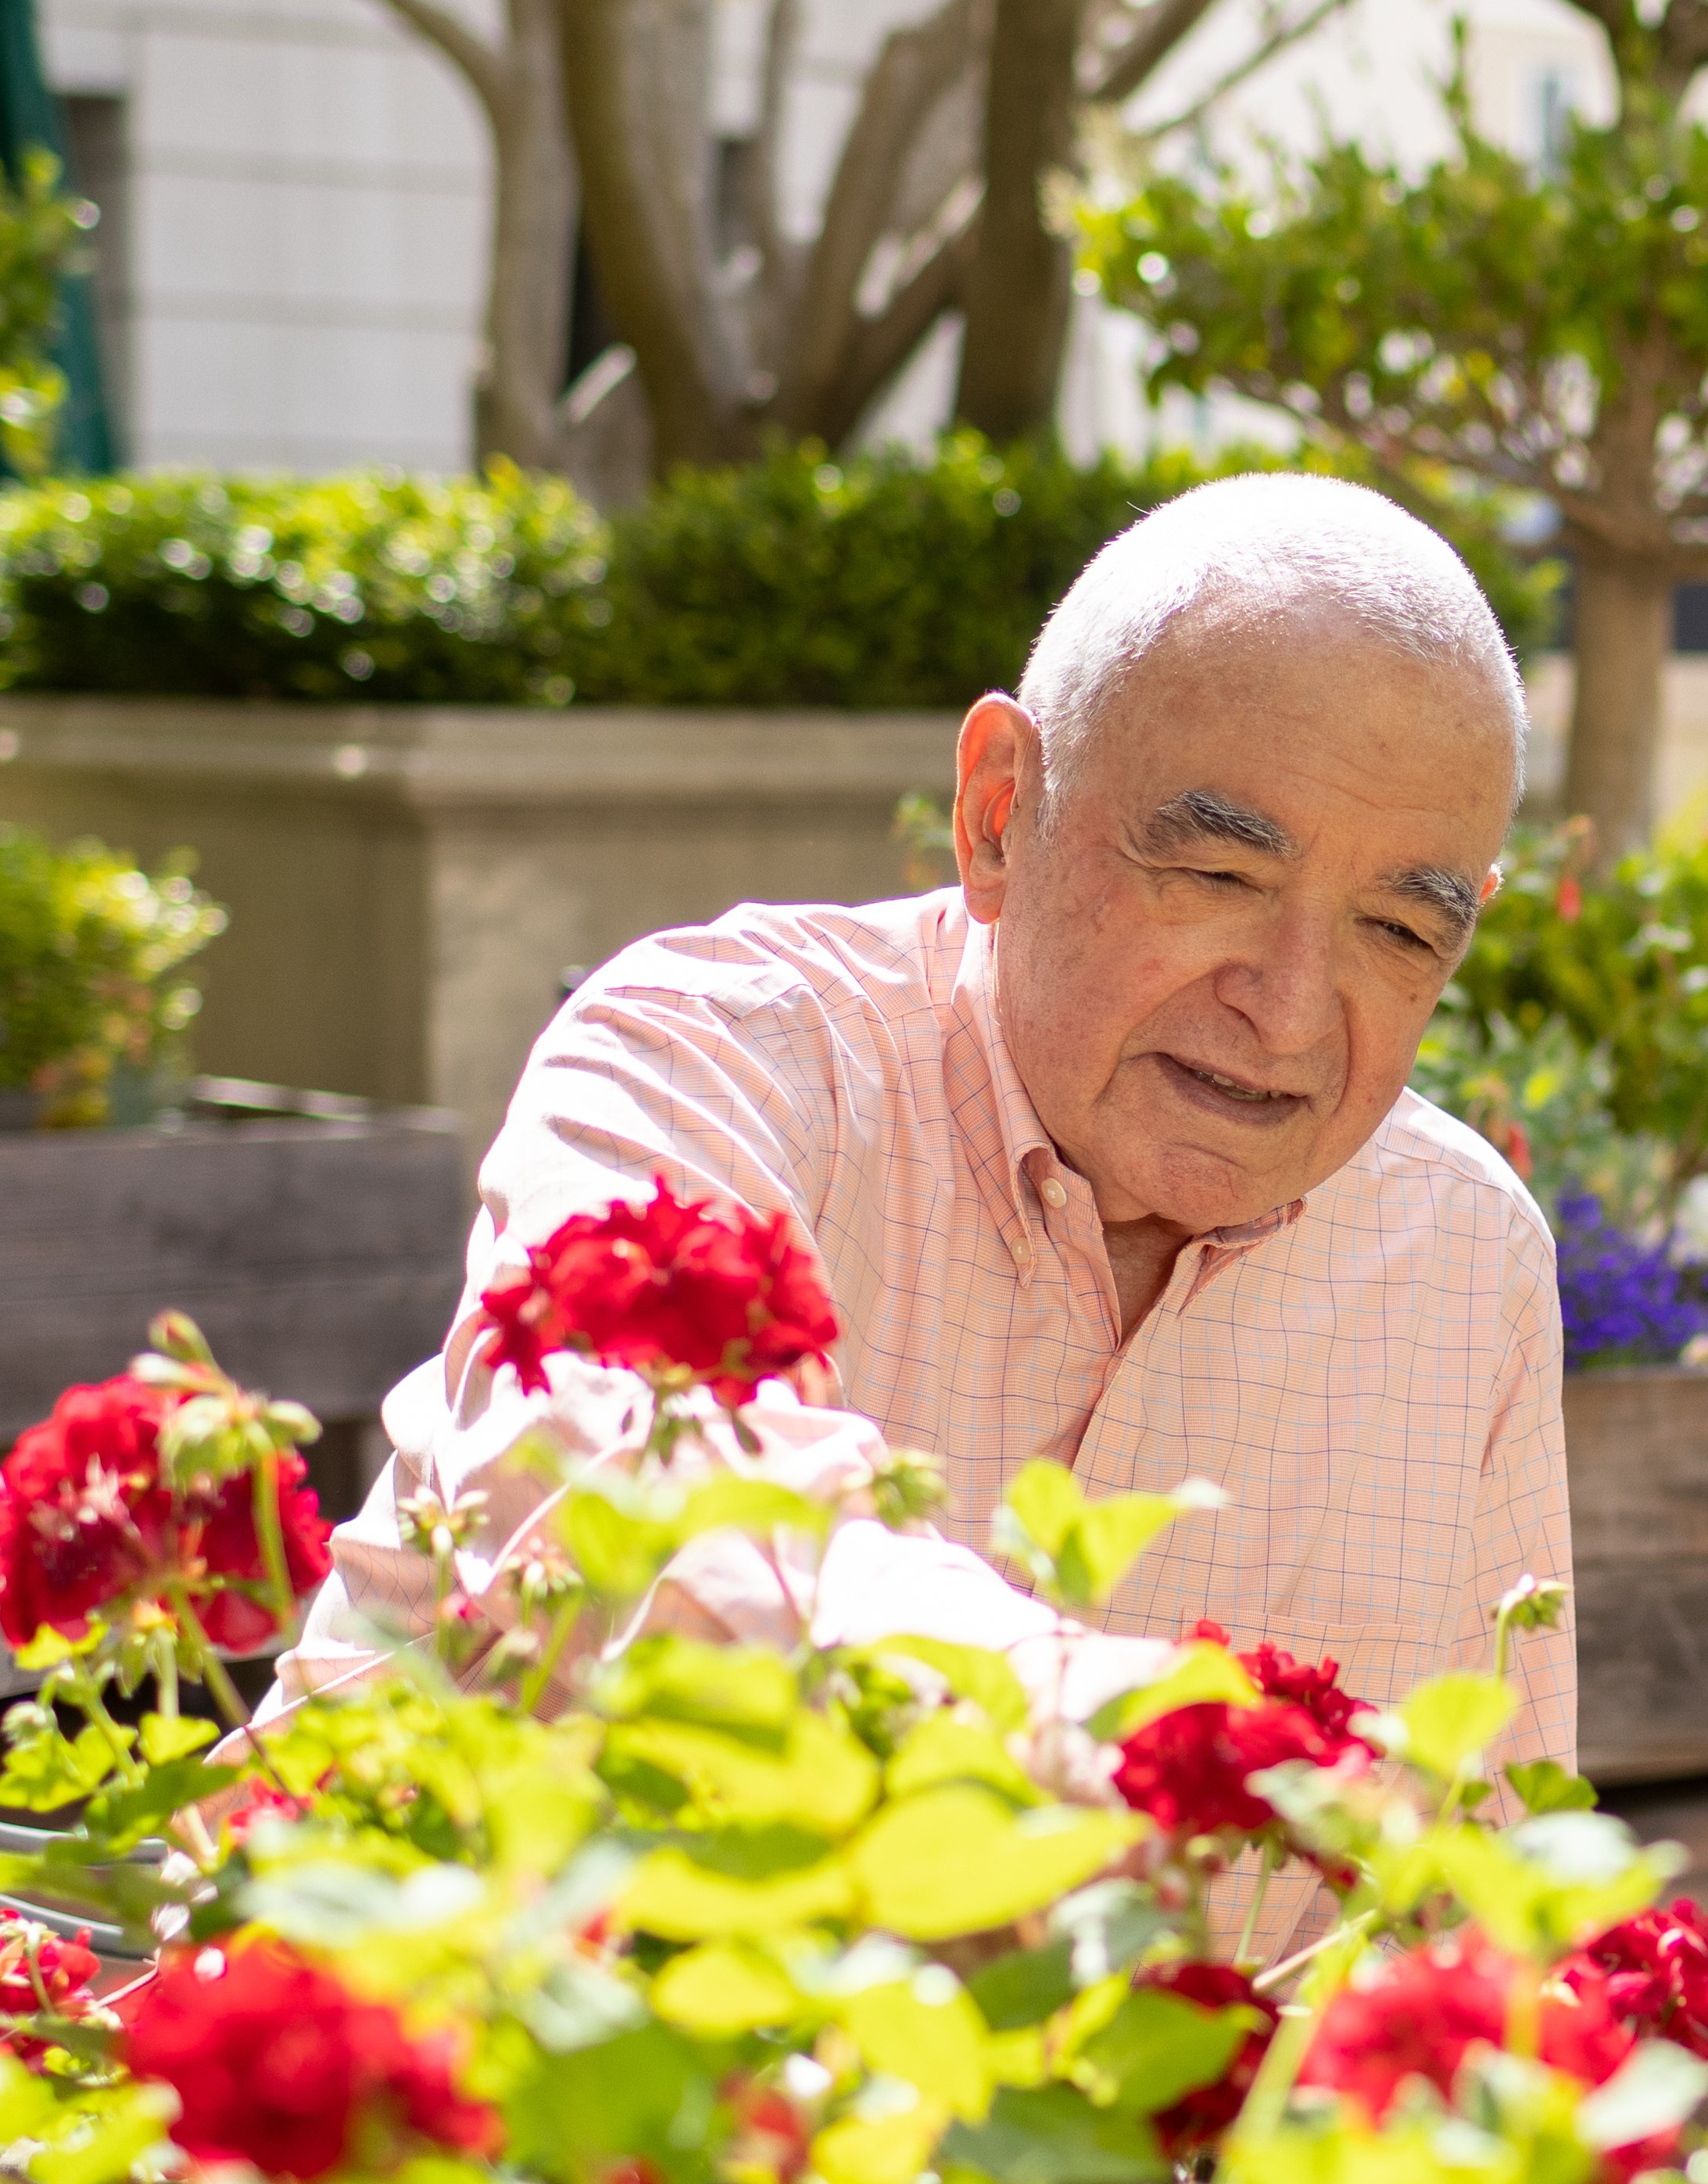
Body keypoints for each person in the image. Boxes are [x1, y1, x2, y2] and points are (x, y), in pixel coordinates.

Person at [291, 468, 1577, 1751]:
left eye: (1401, 929)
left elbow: (1481, 1864)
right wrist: (1079, 1719)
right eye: (1218, 874)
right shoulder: (713, 1058)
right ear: (998, 811)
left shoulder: (1466, 1257)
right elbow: (609, 1488)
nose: (1292, 1012)